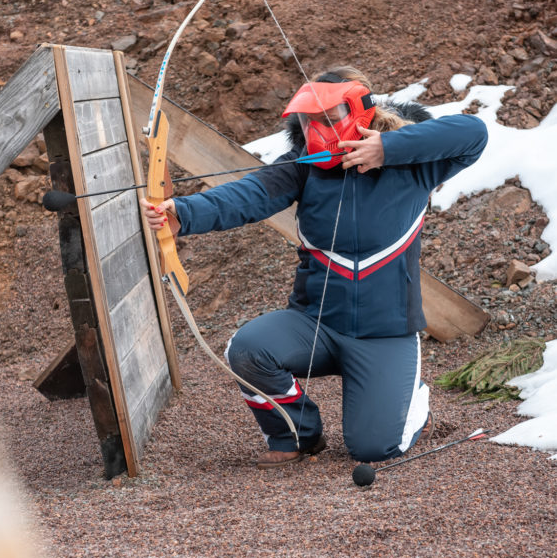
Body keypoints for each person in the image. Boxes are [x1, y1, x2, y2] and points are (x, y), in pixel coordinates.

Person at [141, 66, 488, 469]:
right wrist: (184, 213)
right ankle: (297, 434)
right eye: (308, 121)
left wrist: (387, 149)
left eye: (329, 118)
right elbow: (250, 194)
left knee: (374, 449)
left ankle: (410, 397)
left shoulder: (415, 163)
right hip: (316, 323)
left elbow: (473, 135)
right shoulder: (303, 165)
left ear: (361, 111)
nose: (318, 130)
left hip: (385, 333)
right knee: (249, 349)